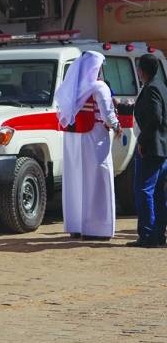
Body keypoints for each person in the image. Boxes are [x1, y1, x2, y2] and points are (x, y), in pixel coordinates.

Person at [55, 51, 121, 239]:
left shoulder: (72, 87)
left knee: (75, 180)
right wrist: (117, 127)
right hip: (94, 137)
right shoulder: (99, 87)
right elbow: (108, 115)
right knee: (98, 179)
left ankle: (76, 225)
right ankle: (97, 228)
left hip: (73, 138)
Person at [130, 53, 167, 247]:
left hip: (152, 147)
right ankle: (158, 234)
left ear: (143, 70)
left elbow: (155, 117)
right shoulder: (161, 86)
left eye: (138, 68)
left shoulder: (152, 88)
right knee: (158, 193)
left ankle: (148, 235)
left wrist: (143, 141)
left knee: (144, 190)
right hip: (161, 147)